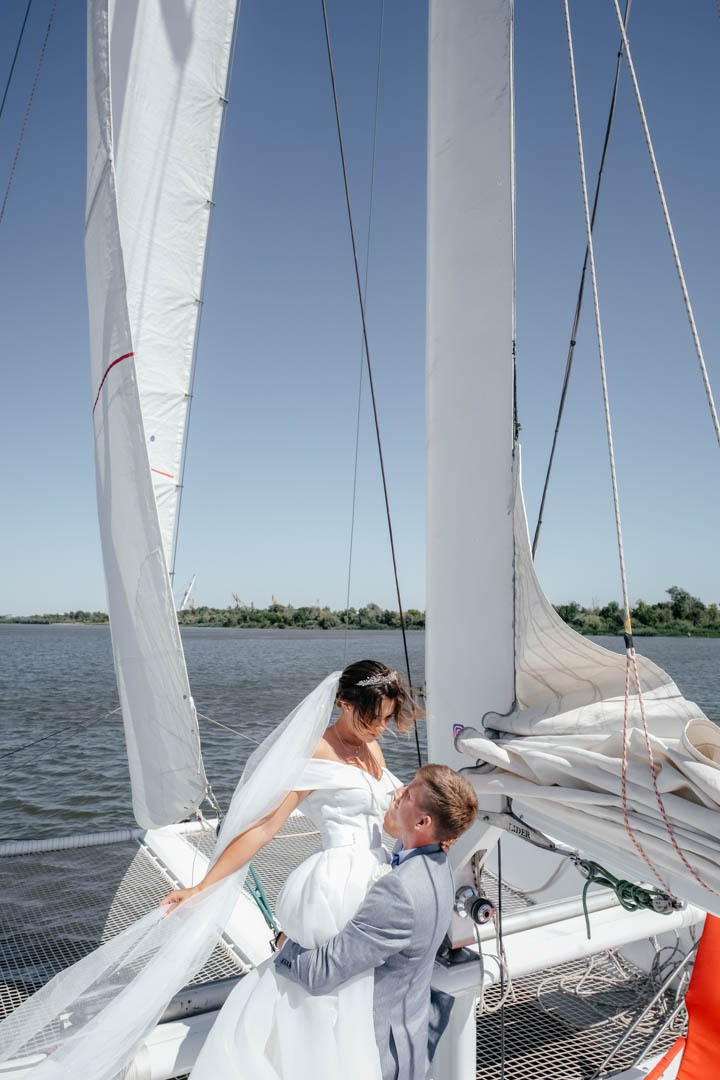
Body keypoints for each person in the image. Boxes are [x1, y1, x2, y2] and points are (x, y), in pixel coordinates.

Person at [0, 661, 414, 1079]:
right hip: (337, 886)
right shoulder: (316, 751)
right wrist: (203, 886)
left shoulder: (371, 746)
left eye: (385, 718)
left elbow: (384, 818)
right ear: (343, 703)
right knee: (325, 995)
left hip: (378, 878)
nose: (380, 727)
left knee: (365, 994)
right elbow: (265, 826)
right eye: (372, 718)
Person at [275, 764, 479, 1080]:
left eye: (408, 793)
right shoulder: (436, 864)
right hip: (411, 1026)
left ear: (424, 822)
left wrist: (283, 944)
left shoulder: (399, 891)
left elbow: (321, 973)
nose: (396, 792)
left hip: (380, 1056)